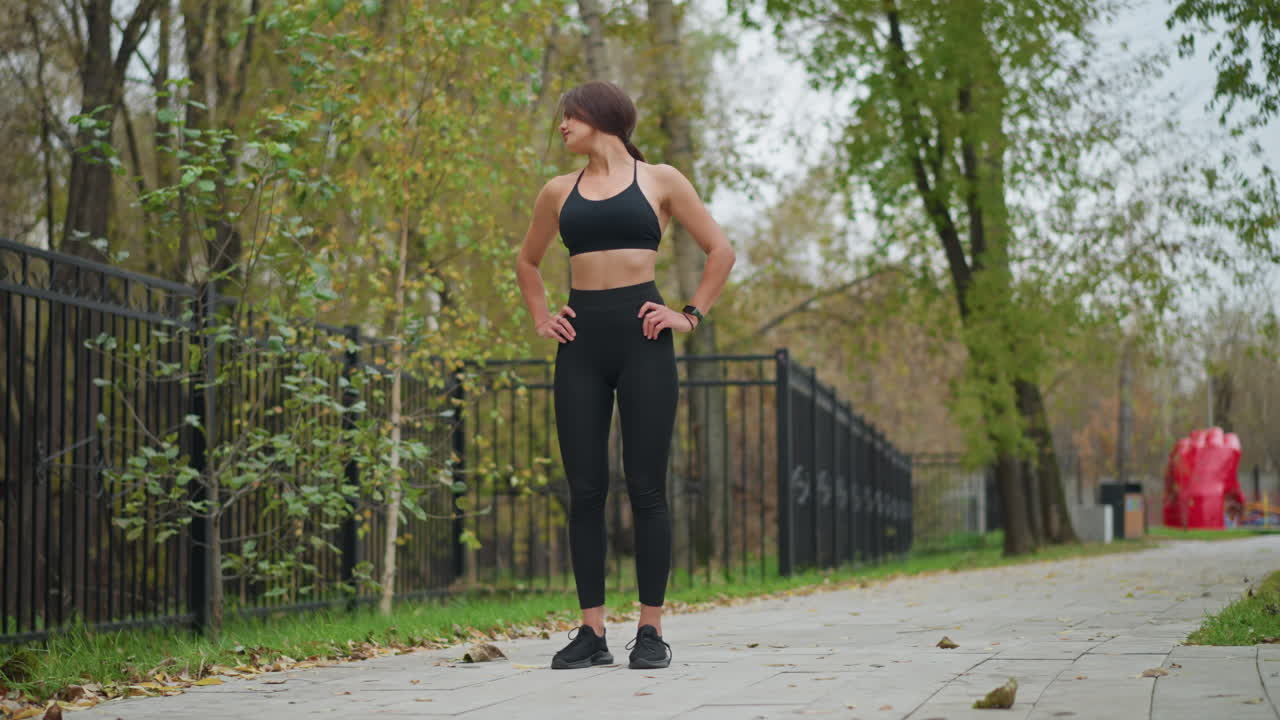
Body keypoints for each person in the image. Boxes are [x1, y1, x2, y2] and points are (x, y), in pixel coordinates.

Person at [514, 80, 735, 670]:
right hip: (581, 343)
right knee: (585, 489)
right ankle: (591, 634)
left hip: (645, 341)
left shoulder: (660, 179)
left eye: (569, 116)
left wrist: (688, 316)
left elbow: (720, 250)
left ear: (600, 117)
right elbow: (528, 261)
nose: (561, 126)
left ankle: (651, 631)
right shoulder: (558, 191)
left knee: (647, 487)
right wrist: (542, 317)